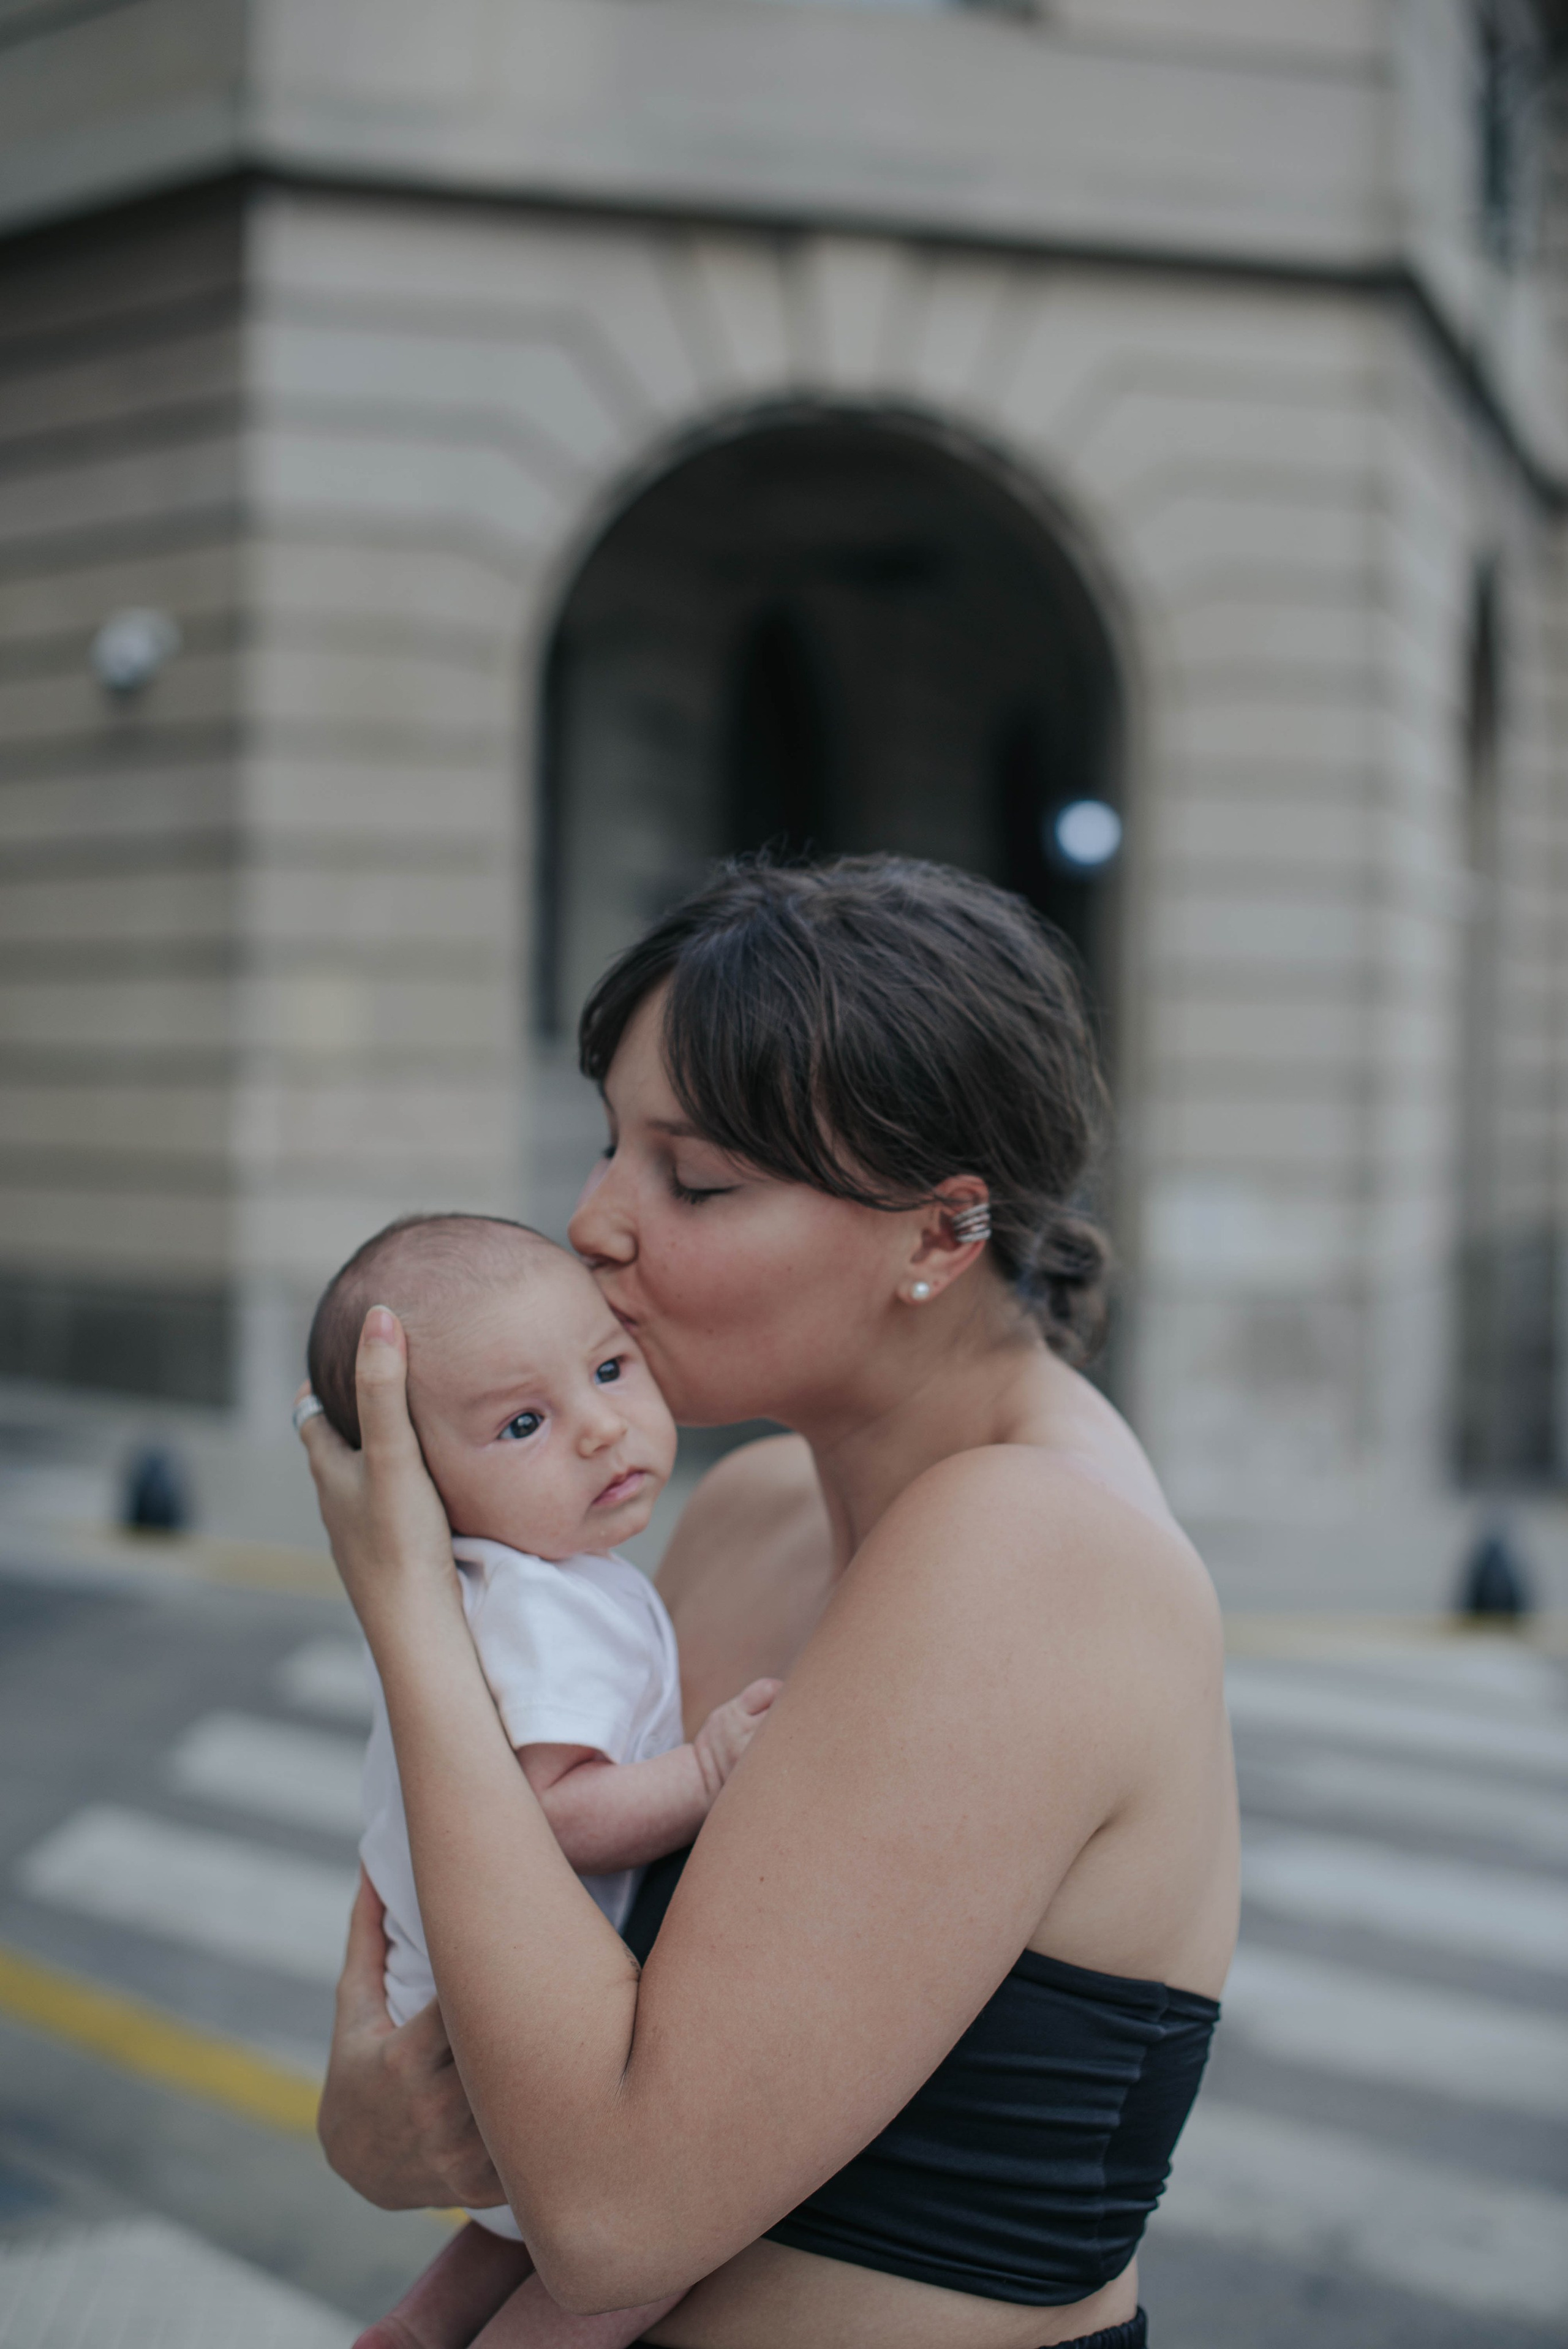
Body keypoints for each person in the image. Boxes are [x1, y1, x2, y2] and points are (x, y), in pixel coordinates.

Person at [301, 856, 1240, 2349]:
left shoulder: (1032, 1547)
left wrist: (412, 1606)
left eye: (696, 1181)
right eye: (611, 1145)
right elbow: (534, 1990)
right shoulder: (747, 1512)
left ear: (940, 1233)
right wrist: (373, 2122)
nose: (595, 1223)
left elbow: (612, 2216)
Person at [301, 1213, 778, 2347]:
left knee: (520, 2228)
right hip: (495, 2046)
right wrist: (705, 1772)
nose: (602, 1428)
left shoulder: (533, 1580)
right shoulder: (541, 1610)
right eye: (523, 1423)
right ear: (415, 1484)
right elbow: (557, 1818)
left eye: (609, 1368)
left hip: (462, 2005)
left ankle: (423, 2327)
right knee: (674, 2232)